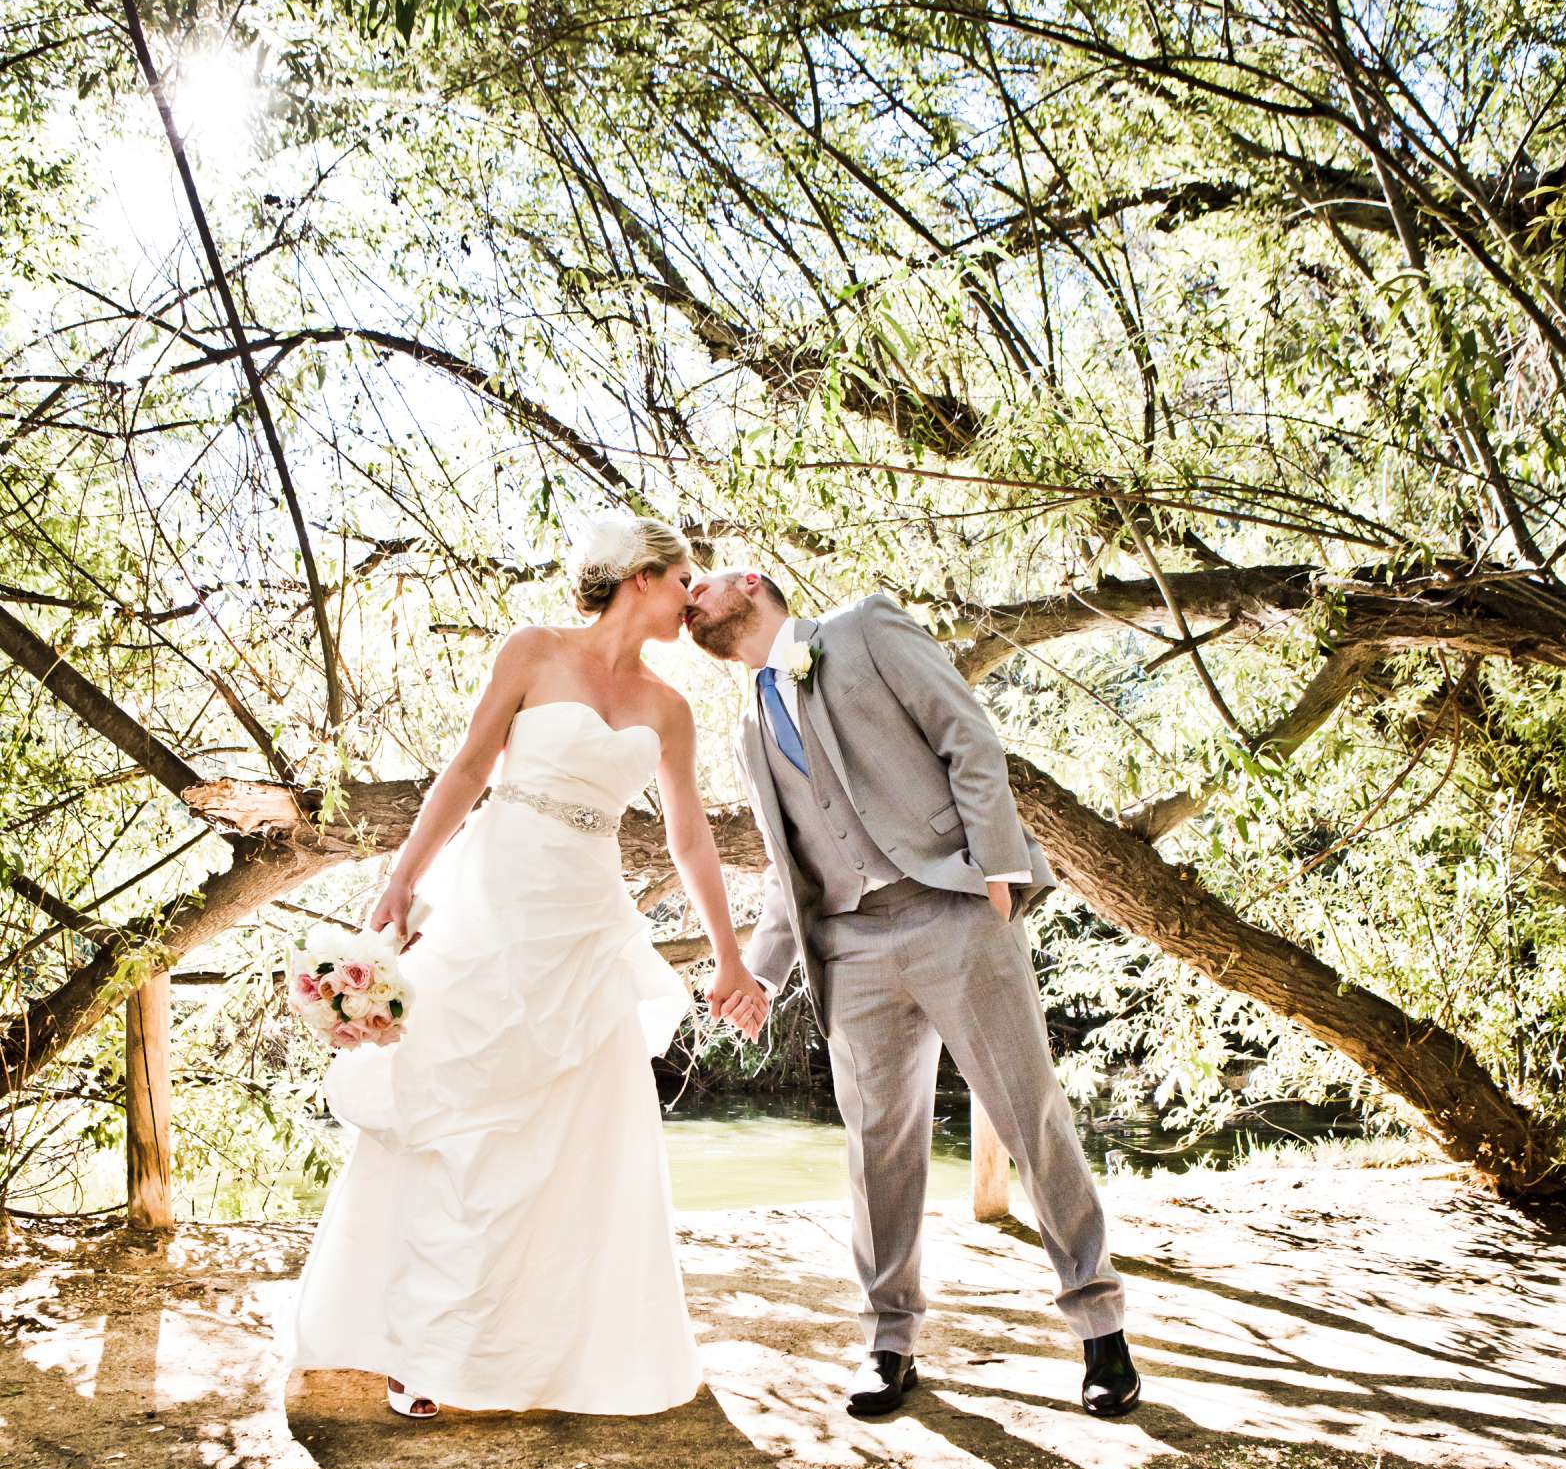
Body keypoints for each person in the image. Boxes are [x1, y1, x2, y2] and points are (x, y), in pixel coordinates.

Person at [292, 515, 767, 1421]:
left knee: (566, 1138)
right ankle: (427, 1348)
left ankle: (547, 1351)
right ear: (641, 576)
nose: (692, 598)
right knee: (462, 1109)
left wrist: (730, 958)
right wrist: (401, 881)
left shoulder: (670, 708)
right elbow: (468, 768)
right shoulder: (533, 650)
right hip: (498, 893)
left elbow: (690, 836)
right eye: (684, 581)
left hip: (586, 918)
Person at [686, 568, 1137, 1422]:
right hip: (850, 947)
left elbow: (966, 735)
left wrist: (998, 871)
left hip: (952, 909)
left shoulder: (863, 629)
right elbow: (793, 870)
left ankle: (1100, 1329)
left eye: (698, 586)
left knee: (1027, 1115)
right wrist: (759, 970)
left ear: (752, 582)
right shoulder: (747, 728)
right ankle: (889, 1342)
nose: (687, 602)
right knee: (876, 1150)